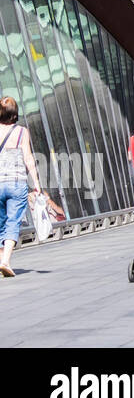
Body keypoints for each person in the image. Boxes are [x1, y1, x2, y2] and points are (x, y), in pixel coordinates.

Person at [0, 96, 43, 277]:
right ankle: (5, 261)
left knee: (1, 223)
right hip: (17, 183)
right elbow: (28, 159)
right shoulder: (21, 132)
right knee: (13, 222)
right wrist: (37, 184)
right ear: (15, 113)